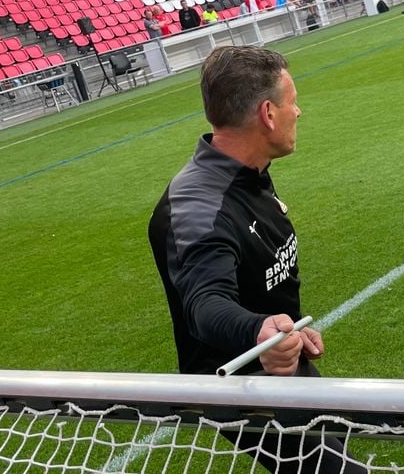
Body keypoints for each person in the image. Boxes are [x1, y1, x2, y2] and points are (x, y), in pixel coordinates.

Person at [148, 46, 365, 474]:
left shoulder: (247, 169)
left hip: (279, 354)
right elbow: (205, 304)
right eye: (292, 101)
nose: (298, 112)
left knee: (335, 444)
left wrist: (285, 330)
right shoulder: (198, 207)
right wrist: (258, 330)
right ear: (267, 113)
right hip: (240, 385)